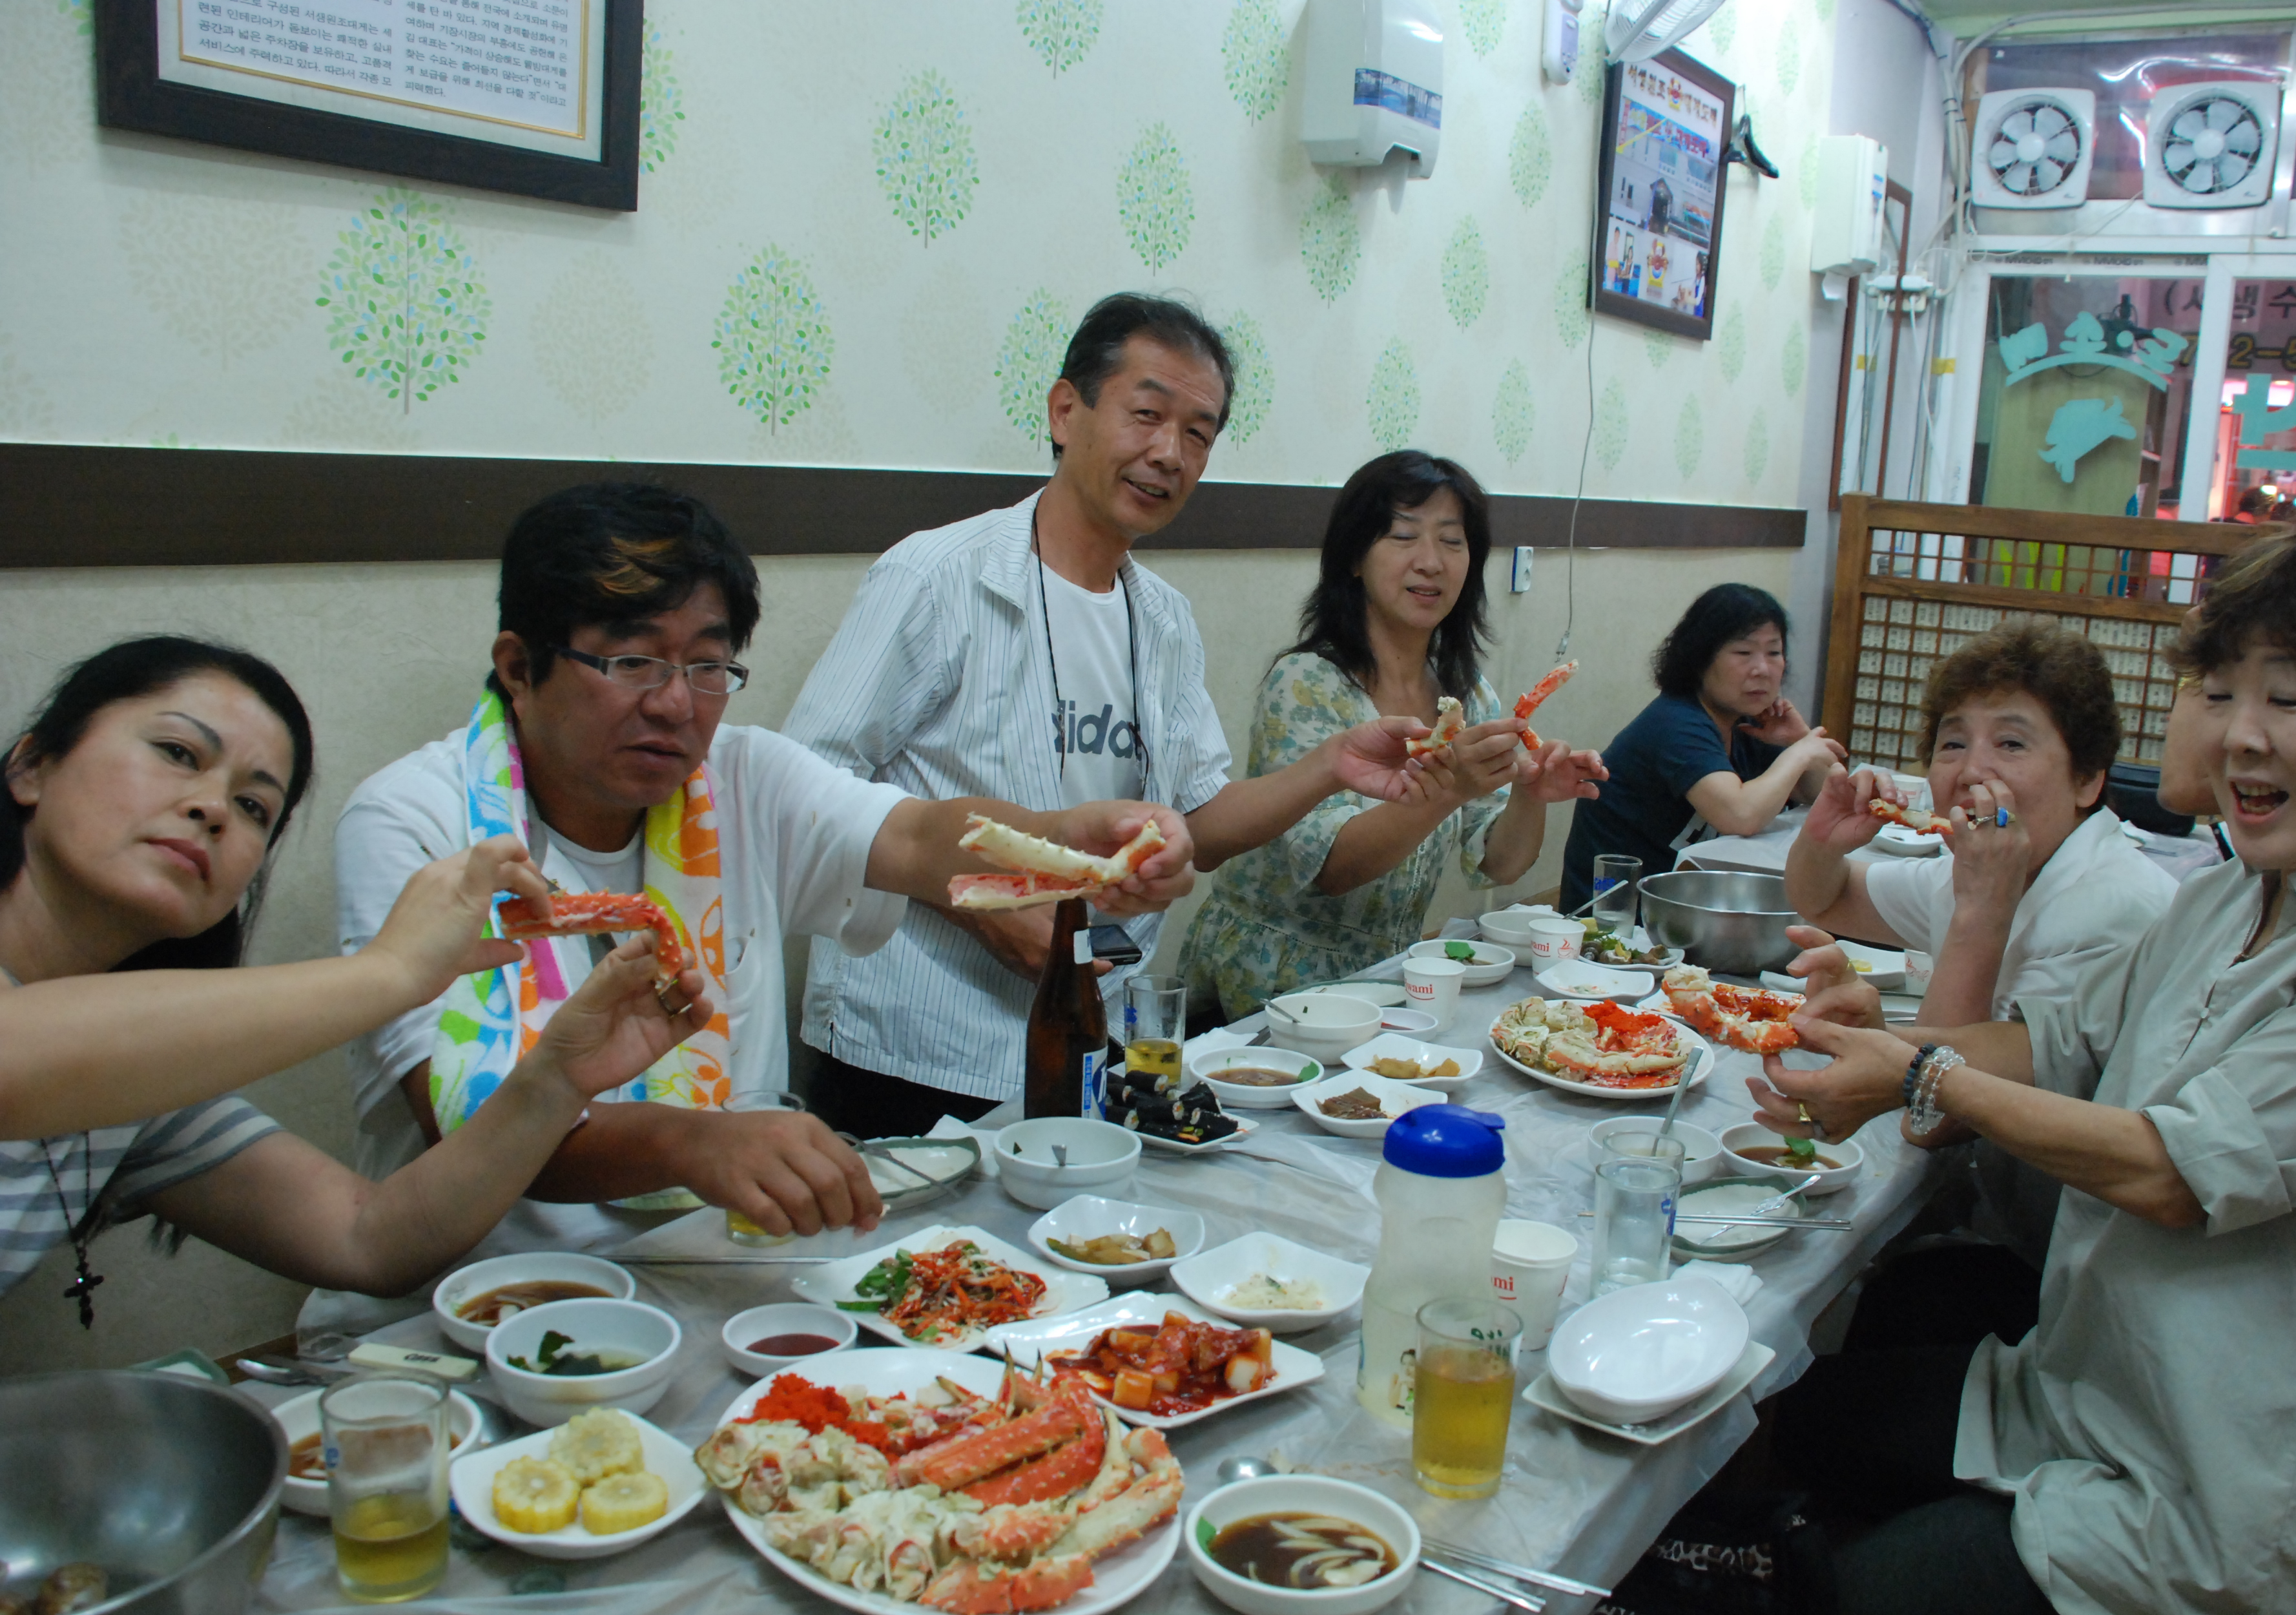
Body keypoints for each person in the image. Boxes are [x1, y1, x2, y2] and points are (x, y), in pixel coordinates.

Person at [1753, 523, 2296, 1615]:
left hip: (2225, 1499)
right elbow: (2053, 1040)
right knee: (1759, 1432)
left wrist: (1915, 1070)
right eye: (2216, 691)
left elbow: (2171, 1170)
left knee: (1857, 1609)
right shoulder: (2234, 891)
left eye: (2287, 699)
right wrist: (1880, 1035)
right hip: (2079, 1389)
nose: (2237, 736)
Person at [318, 483, 1192, 1336]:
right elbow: (460, 1121)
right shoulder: (413, 822)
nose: (673, 702)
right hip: (474, 1310)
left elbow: (924, 838)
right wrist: (691, 1142)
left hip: (717, 1282)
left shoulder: (741, 778)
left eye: (706, 665)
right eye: (632, 659)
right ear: (520, 666)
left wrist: (1073, 838)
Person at [784, 295, 1428, 1135]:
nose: (1169, 453)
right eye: (1147, 414)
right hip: (916, 1040)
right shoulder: (938, 578)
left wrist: (1333, 765)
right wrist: (986, 905)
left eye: (1198, 433)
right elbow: (809, 784)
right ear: (1066, 411)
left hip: (1095, 1024)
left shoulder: (1161, 618)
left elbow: (1197, 817)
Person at [0, 637, 710, 1319]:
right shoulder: (70, 1055)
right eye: (177, 753)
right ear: (30, 767)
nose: (212, 809)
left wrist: (557, 1079)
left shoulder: (143, 1089)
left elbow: (368, 1241)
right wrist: (392, 971)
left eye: (254, 807)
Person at [1783, 621, 2178, 1342]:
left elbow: (1932, 1121)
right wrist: (1821, 834)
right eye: (1953, 742)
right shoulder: (1979, 867)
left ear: (2088, 780)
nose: (1971, 769)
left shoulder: (2111, 907)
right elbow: (1825, 898)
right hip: (1991, 1211)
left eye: (2012, 743)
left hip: (2064, 1275)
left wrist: (1978, 911)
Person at [1175, 452, 1606, 1022]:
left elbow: (1497, 865)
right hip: (1271, 984)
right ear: (1355, 557)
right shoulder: (1306, 682)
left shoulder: (1468, 694)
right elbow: (1333, 871)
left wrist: (1529, 793)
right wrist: (1449, 789)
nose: (1430, 562)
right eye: (1404, 536)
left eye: (1452, 542)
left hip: (1389, 981)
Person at [1558, 584, 1843, 911]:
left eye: (1774, 652)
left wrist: (1798, 739)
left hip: (1692, 905)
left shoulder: (1750, 721)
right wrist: (1801, 753)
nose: (1762, 669)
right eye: (1743, 653)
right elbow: (1740, 815)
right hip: (1616, 921)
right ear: (1699, 660)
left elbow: (1829, 799)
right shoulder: (1676, 722)